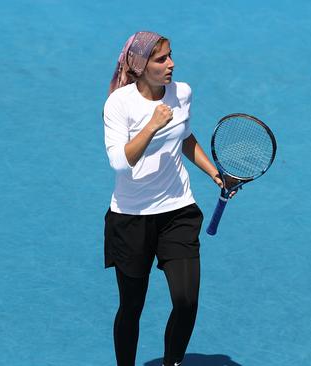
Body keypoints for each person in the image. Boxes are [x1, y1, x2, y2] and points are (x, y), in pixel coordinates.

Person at [103, 31, 227, 366]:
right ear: (141, 67)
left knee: (186, 300)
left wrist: (213, 172)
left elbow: (185, 137)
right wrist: (152, 125)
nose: (171, 64)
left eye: (171, 55)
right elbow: (119, 161)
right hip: (131, 217)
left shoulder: (182, 93)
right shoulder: (119, 104)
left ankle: (173, 363)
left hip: (177, 210)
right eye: (161, 59)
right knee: (132, 307)